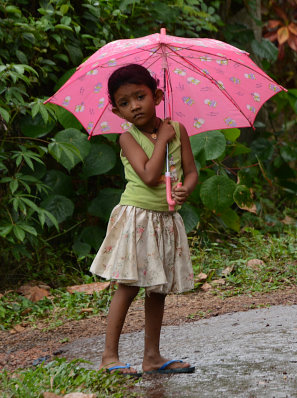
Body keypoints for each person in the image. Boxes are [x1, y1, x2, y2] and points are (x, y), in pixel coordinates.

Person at [90, 63, 198, 376]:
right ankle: (109, 357)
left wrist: (184, 191)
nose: (134, 106)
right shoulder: (128, 138)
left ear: (157, 95)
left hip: (166, 217)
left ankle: (152, 356)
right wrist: (162, 139)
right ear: (116, 110)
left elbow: (191, 172)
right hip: (137, 217)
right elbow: (150, 176)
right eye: (124, 102)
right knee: (128, 285)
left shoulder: (178, 130)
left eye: (140, 96)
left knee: (157, 287)